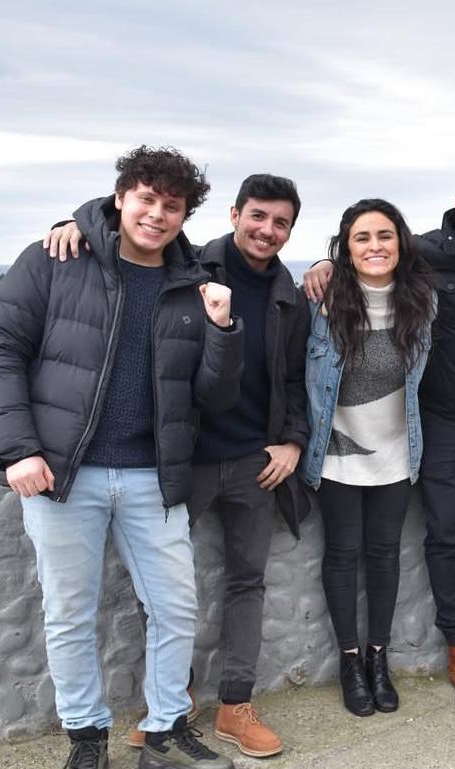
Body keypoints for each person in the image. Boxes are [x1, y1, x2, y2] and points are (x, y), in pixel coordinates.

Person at [0, 145, 243, 769]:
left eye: (171, 206)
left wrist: (224, 332)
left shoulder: (196, 281)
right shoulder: (55, 258)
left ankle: (163, 732)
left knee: (176, 609)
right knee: (69, 612)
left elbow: (215, 396)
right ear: (122, 196)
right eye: (146, 199)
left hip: (156, 476)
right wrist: (16, 450)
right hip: (63, 477)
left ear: (184, 215)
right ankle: (86, 737)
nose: (156, 215)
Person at [46, 174, 311, 759]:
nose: (267, 230)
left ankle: (236, 706)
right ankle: (176, 705)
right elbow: (119, 243)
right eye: (258, 216)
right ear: (235, 213)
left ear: (292, 231)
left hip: (254, 461)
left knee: (247, 582)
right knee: (160, 594)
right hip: (178, 459)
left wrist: (292, 442)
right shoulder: (189, 266)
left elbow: (295, 378)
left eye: (281, 222)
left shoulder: (290, 292)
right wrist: (73, 226)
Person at [303, 154, 455, 695]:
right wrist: (325, 267)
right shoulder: (426, 256)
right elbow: (368, 263)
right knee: (446, 536)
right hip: (444, 423)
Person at [301, 199, 436, 718]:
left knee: (384, 555)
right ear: (346, 247)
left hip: (397, 454)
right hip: (334, 452)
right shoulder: (322, 300)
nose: (375, 246)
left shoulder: (423, 301)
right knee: (341, 554)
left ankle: (380, 656)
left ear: (401, 243)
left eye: (385, 235)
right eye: (362, 237)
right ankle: (349, 661)